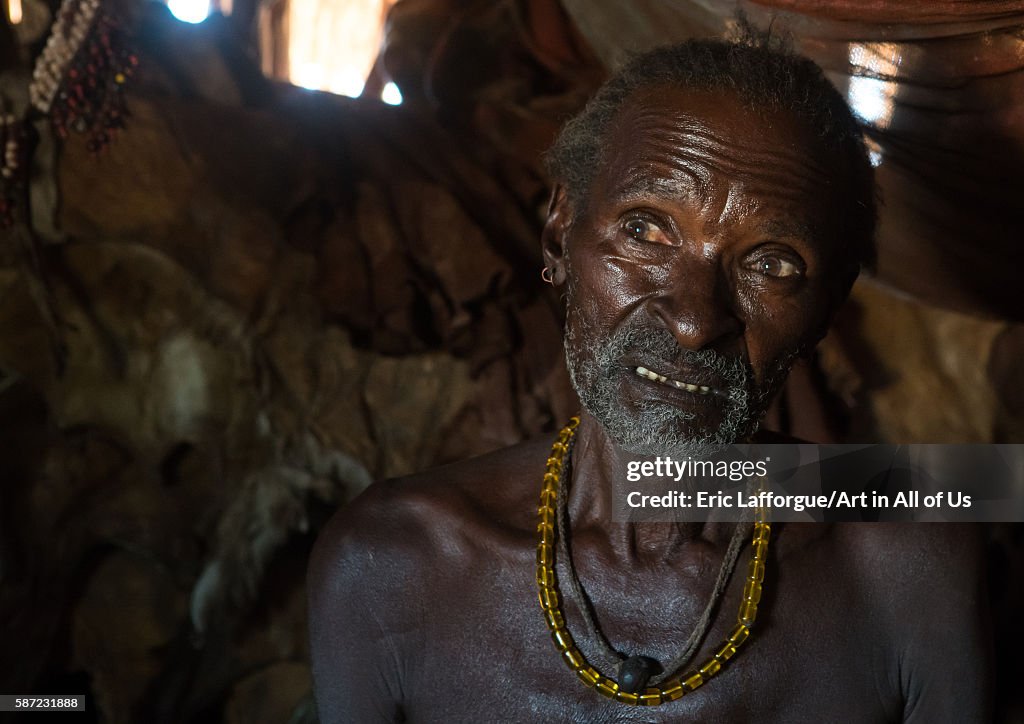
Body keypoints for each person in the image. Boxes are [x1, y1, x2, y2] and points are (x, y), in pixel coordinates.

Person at [308, 32, 992, 723]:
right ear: (559, 237)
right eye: (647, 231)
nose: (695, 321)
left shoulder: (909, 565)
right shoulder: (390, 567)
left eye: (771, 264)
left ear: (826, 308)